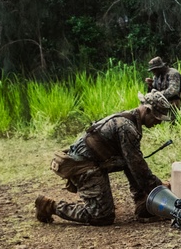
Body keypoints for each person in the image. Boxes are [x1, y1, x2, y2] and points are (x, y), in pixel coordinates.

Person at [35, 92, 172, 225]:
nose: (158, 123)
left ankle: (142, 202)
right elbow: (137, 166)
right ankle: (50, 206)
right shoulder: (127, 127)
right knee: (102, 216)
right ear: (147, 110)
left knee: (129, 161)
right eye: (156, 118)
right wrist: (160, 190)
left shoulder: (129, 120)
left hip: (95, 162)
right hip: (84, 166)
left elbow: (132, 163)